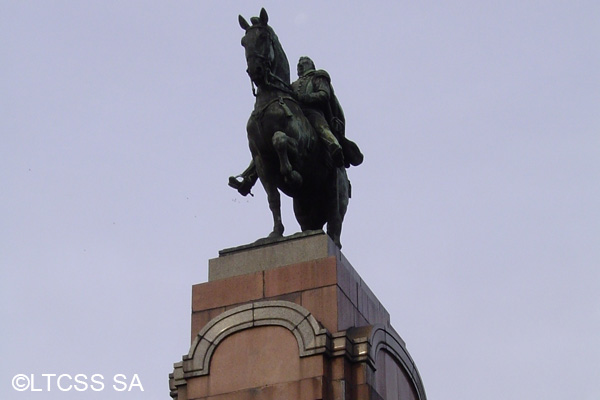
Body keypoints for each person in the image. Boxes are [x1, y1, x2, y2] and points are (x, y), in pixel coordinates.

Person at [229, 56, 363, 196]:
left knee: (321, 127)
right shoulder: (292, 84)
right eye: (298, 64)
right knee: (265, 147)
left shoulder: (318, 77)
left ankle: (334, 147)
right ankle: (249, 178)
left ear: (311, 65)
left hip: (312, 112)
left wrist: (304, 98)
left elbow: (324, 95)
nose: (299, 66)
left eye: (303, 63)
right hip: (295, 115)